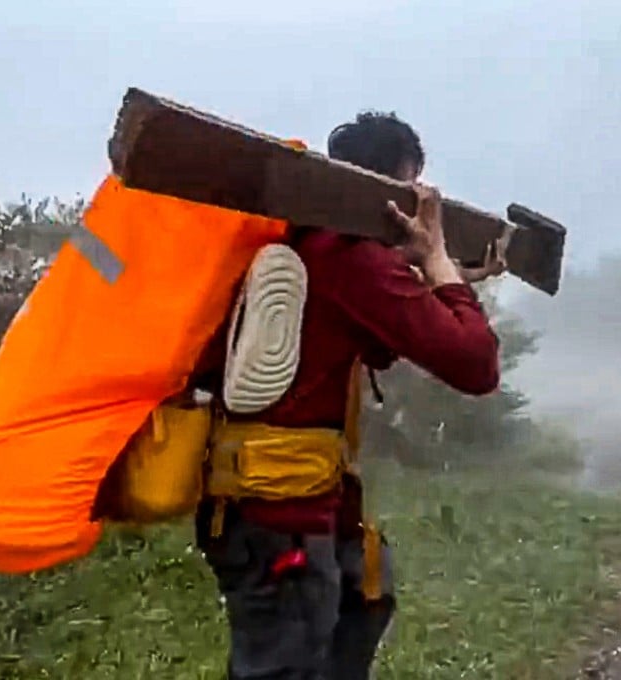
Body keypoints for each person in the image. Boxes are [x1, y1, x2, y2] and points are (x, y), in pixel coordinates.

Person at [192, 111, 506, 679]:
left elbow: (381, 339)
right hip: (278, 512)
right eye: (414, 194)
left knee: (367, 595)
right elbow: (476, 364)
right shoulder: (349, 257)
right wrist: (437, 262)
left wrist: (440, 275)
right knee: (285, 663)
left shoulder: (320, 245)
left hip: (288, 504)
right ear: (391, 191)